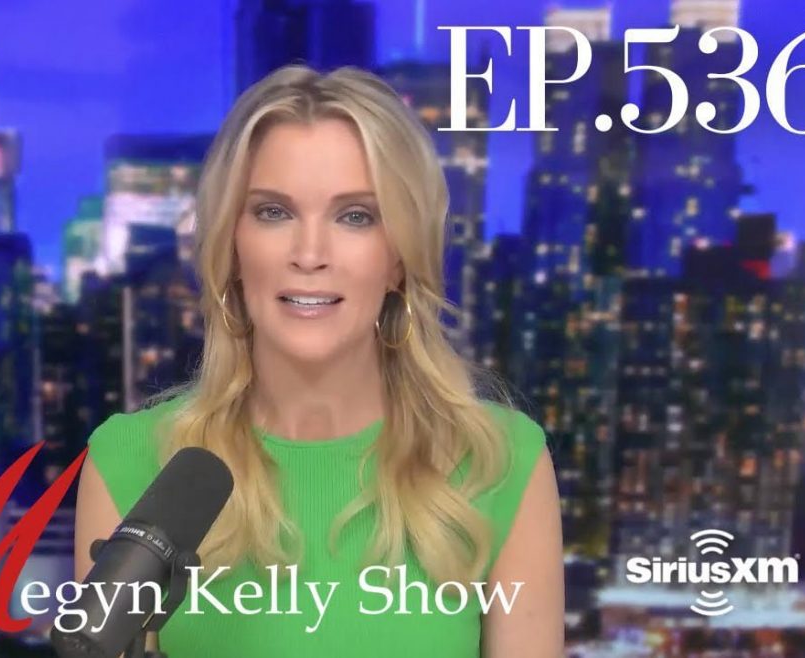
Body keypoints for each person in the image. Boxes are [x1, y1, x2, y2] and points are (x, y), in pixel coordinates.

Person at [74, 64, 564, 657]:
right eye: (273, 212)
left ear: (399, 257)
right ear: (232, 245)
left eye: (355, 216)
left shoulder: (502, 462)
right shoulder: (131, 461)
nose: (310, 254)